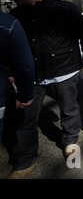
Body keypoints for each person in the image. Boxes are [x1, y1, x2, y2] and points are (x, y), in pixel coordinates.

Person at [4, 0, 83, 172]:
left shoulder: (65, 9)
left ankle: (70, 143)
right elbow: (9, 48)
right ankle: (24, 162)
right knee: (25, 118)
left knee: (69, 109)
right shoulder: (15, 16)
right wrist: (12, 71)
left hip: (64, 71)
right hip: (31, 77)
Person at [0, 12, 36, 179]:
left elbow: (22, 63)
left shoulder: (8, 23)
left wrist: (25, 93)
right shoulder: (10, 20)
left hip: (59, 71)